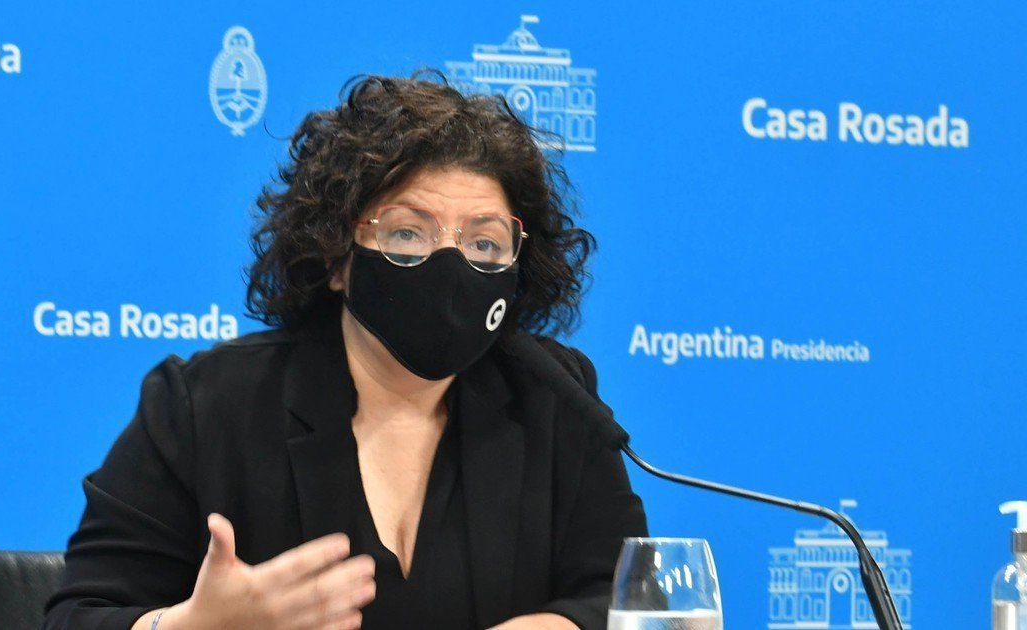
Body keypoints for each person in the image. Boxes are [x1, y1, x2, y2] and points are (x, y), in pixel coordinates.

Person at [43, 69, 649, 630]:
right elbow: (77, 617)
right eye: (408, 233)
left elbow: (630, 599)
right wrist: (191, 627)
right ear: (336, 256)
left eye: (484, 243)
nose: (451, 267)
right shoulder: (204, 406)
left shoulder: (552, 395)